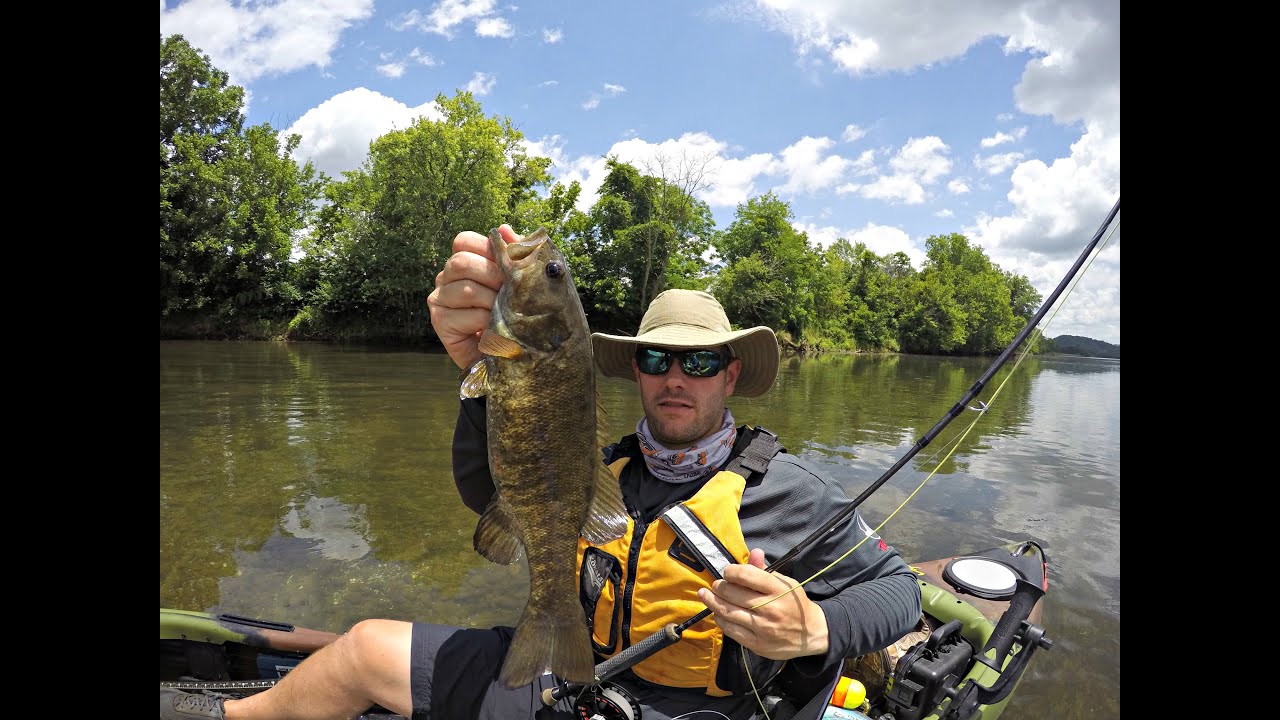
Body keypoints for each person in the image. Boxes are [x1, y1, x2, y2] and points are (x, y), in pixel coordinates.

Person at [161, 224, 922, 720]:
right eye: (657, 359)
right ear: (637, 371)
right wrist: (476, 376)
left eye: (699, 362)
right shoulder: (602, 463)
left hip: (694, 710)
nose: (675, 378)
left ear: (730, 375)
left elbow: (899, 592)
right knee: (359, 649)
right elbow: (490, 491)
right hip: (571, 686)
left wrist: (818, 625)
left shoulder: (789, 490)